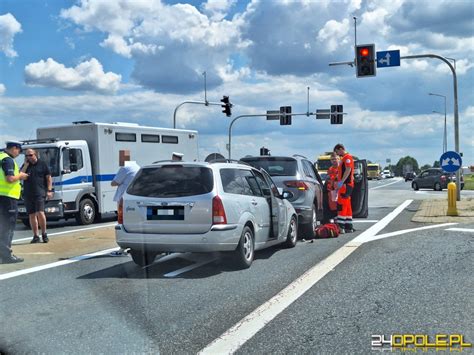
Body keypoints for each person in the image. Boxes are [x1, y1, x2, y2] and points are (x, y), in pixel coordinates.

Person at [0, 141, 29, 264]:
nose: (19, 154)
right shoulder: (8, 160)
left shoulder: (1, 157)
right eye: (19, 151)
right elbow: (10, 178)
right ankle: (6, 256)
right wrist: (21, 176)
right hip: (8, 198)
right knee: (8, 227)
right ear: (14, 148)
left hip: (2, 197)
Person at [110, 150, 140, 256]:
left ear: (124, 158)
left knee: (121, 222)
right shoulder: (136, 166)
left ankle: (122, 248)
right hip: (132, 197)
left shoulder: (125, 168)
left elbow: (114, 183)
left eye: (120, 158)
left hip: (123, 199)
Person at [21, 148, 53, 243]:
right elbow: (20, 175)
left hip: (39, 193)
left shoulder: (42, 164)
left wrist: (49, 190)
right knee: (31, 215)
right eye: (26, 155)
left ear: (35, 155)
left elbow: (49, 178)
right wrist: (26, 165)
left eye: (30, 155)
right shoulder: (26, 165)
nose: (28, 157)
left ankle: (44, 234)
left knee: (40, 212)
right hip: (28, 193)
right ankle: (35, 236)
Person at [334, 143, 355, 233]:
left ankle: (341, 226)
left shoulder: (347, 158)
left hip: (345, 185)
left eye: (337, 152)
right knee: (347, 206)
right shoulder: (346, 158)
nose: (338, 154)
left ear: (341, 149)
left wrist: (342, 181)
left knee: (342, 205)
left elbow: (348, 169)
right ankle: (348, 226)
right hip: (348, 185)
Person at [323, 152, 340, 224]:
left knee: (339, 208)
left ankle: (340, 223)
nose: (334, 161)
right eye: (332, 159)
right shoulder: (330, 169)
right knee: (332, 208)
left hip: (340, 191)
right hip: (331, 192)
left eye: (335, 159)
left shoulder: (341, 168)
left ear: (339, 159)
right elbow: (329, 179)